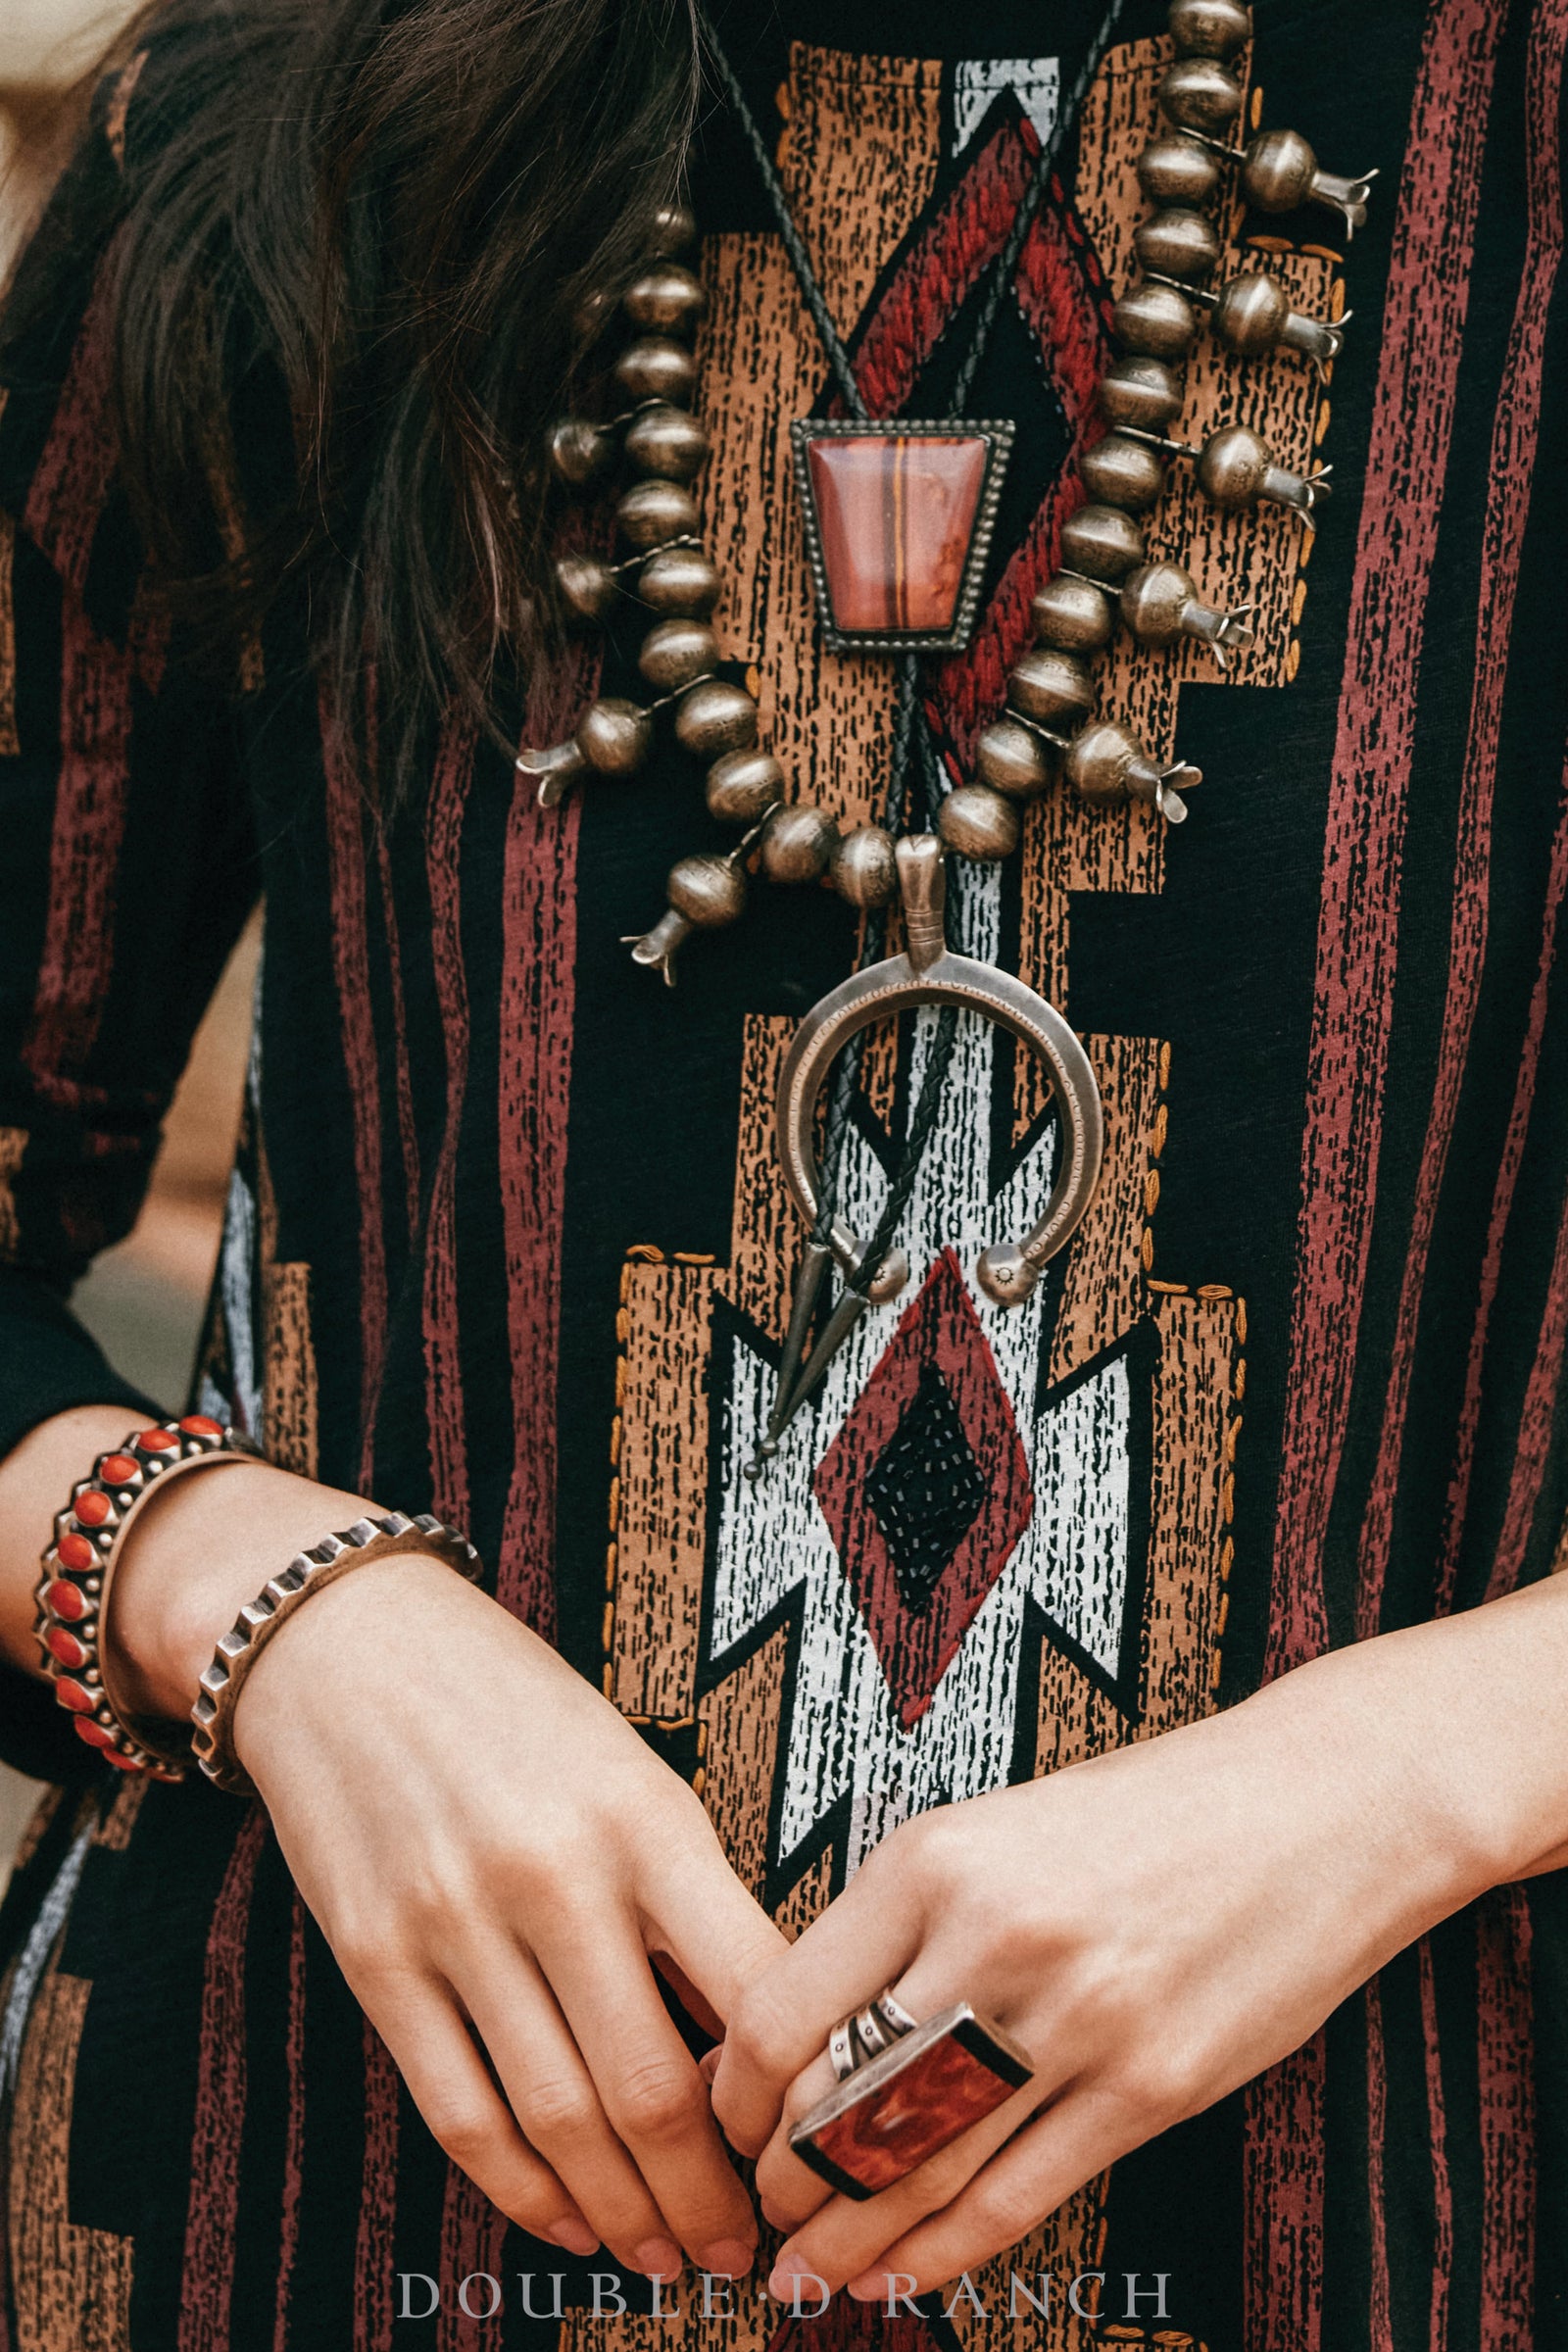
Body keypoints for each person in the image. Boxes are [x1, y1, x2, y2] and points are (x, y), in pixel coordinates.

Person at [2, 0, 1566, 2345]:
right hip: (294, 2216)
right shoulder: (269, 118)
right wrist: (260, 1608)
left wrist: (1427, 1768)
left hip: (1415, 2216)